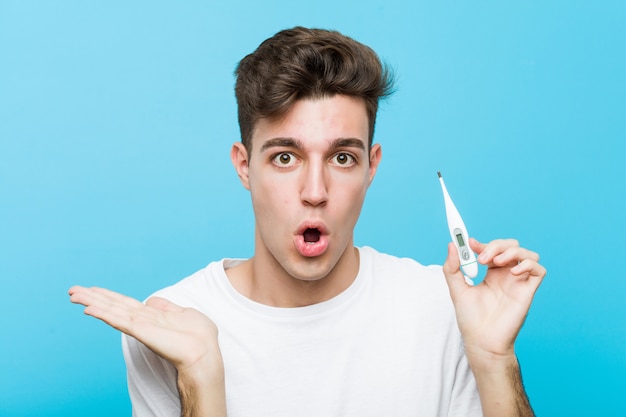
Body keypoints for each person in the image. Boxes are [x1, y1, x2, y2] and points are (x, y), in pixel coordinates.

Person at [69, 27, 546, 417]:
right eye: (284, 158)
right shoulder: (174, 323)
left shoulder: (445, 308)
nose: (315, 191)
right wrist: (201, 376)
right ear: (244, 166)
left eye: (341, 157)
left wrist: (492, 359)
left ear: (371, 167)